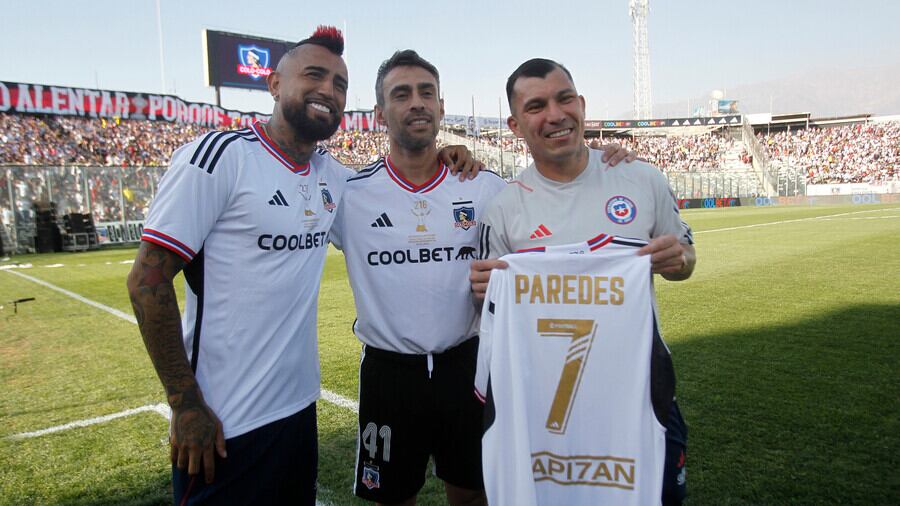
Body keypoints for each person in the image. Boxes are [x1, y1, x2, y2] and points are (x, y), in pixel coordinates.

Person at [126, 28, 480, 506]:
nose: (327, 90)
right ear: (274, 84)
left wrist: (449, 157)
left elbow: (399, 191)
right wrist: (185, 403)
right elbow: (146, 281)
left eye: (339, 84)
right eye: (314, 75)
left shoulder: (334, 178)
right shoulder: (221, 157)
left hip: (298, 411)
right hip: (224, 419)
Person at [330, 50, 637, 506]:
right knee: (391, 498)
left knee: (475, 493)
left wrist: (605, 162)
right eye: (401, 94)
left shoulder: (483, 186)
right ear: (379, 113)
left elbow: (555, 227)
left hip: (468, 367)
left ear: (440, 107)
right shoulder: (348, 194)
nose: (416, 103)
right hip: (389, 373)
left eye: (426, 93)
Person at [469, 58, 695, 505]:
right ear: (515, 125)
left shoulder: (642, 178)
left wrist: (678, 258)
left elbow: (686, 259)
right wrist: (482, 291)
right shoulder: (504, 209)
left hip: (638, 389)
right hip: (546, 399)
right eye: (536, 106)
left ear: (582, 105)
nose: (555, 115)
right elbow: (490, 313)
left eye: (565, 98)